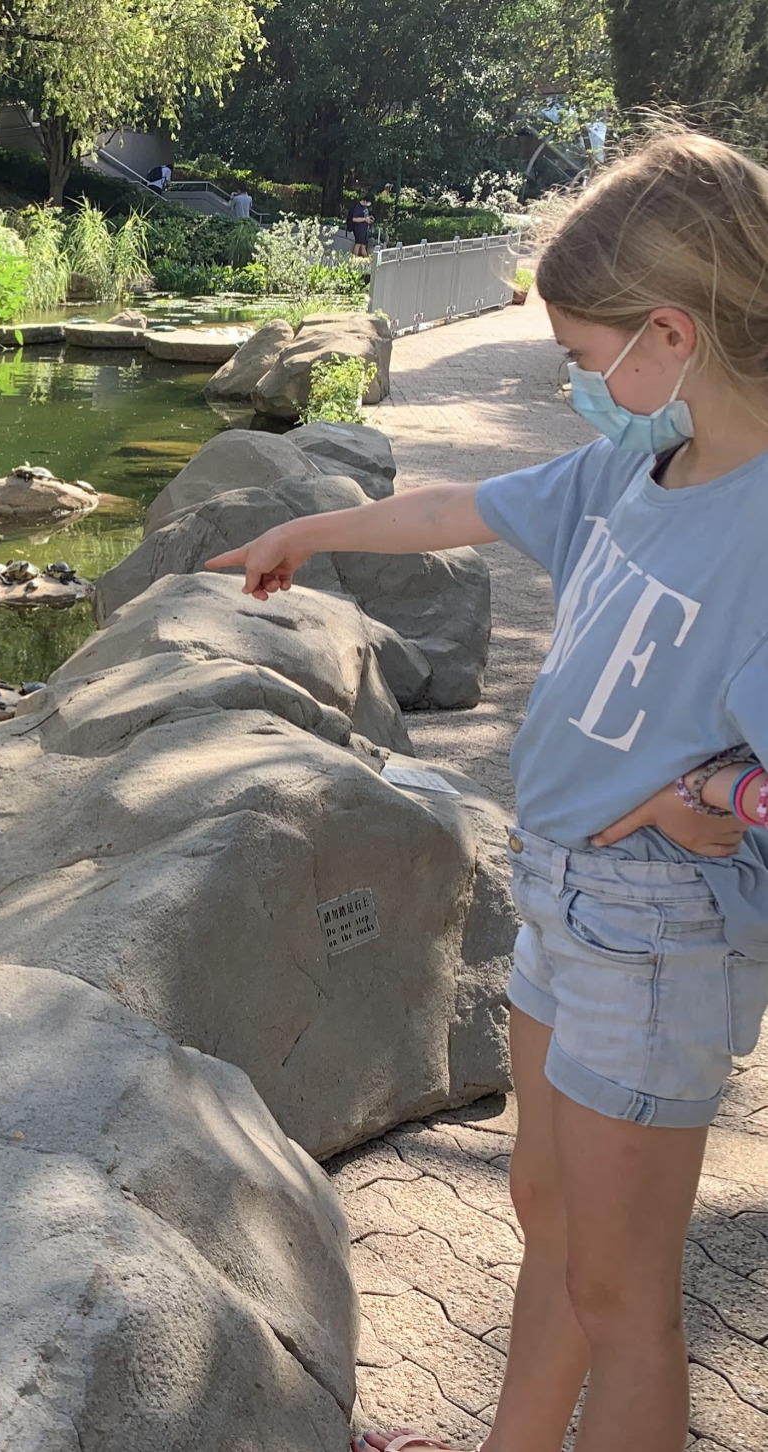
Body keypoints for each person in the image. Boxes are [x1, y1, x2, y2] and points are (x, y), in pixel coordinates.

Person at [209, 127, 768, 1452]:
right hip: (561, 899)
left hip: (657, 924)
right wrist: (307, 528)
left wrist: (699, 809)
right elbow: (456, 510)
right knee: (540, 1209)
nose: (574, 384)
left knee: (620, 1298)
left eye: (581, 359)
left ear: (669, 338)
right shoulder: (635, 469)